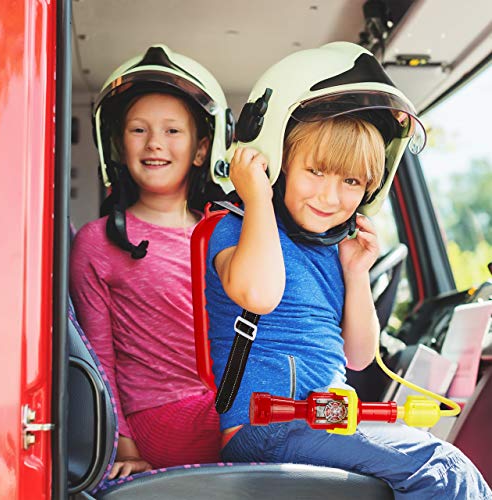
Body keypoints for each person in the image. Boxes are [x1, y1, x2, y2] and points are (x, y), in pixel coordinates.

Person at [205, 42, 492, 498]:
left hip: (324, 418)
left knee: (439, 462)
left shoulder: (333, 250)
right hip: (262, 427)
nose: (331, 196)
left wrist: (357, 274)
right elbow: (259, 295)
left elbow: (358, 356)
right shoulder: (235, 228)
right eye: (316, 171)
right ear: (275, 162)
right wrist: (256, 195)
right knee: (442, 469)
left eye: (351, 181)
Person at [70, 44, 234, 479]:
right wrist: (121, 445)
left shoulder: (225, 234)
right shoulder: (99, 242)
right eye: (138, 130)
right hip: (160, 418)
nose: (155, 143)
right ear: (119, 146)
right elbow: (96, 357)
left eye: (172, 131)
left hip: (223, 407)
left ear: (202, 150)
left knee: (312, 414)